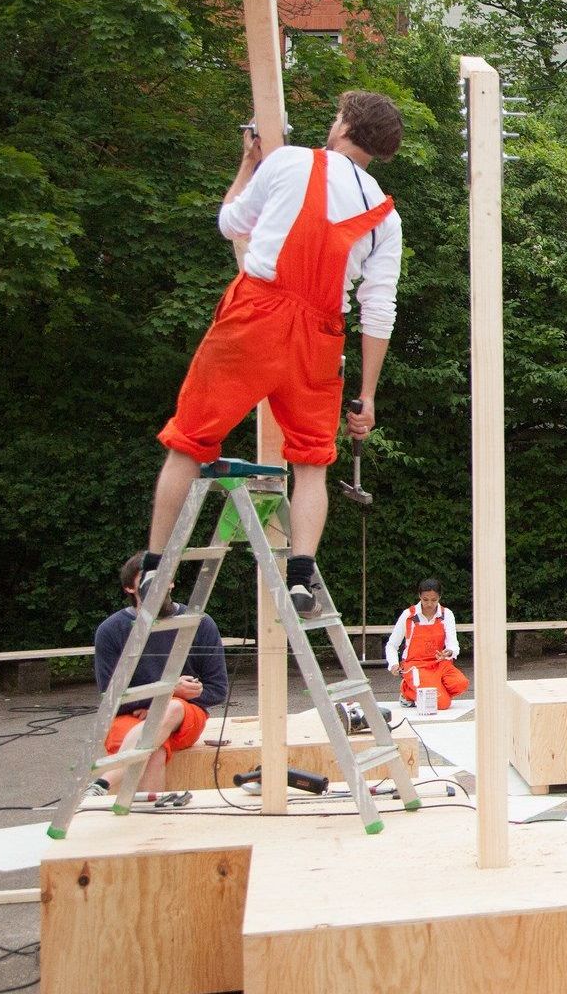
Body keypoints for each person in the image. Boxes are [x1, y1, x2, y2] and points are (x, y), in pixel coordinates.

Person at [138, 91, 405, 617]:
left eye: (336, 116)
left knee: (188, 440)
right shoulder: (384, 217)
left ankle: (153, 570)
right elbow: (378, 311)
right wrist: (367, 396)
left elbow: (232, 224)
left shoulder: (289, 161)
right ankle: (301, 574)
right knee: (310, 462)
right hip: (320, 337)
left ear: (347, 125)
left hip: (256, 317)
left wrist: (247, 163)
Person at [91, 552, 229, 793]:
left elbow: (218, 690)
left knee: (172, 707)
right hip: (128, 718)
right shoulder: (111, 630)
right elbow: (109, 698)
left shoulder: (200, 623)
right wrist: (167, 691)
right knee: (153, 752)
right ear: (129, 589)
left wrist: (166, 701)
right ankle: (151, 824)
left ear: (172, 582)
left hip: (184, 717)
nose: (158, 587)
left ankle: (104, 781)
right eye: (146, 582)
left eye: (164, 579)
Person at [384, 578, 467, 711]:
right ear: (419, 597)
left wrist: (449, 652)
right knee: (442, 704)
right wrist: (393, 664)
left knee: (461, 684)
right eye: (425, 599)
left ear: (440, 597)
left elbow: (453, 644)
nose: (429, 604)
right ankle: (407, 690)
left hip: (439, 663)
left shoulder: (447, 614)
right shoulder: (408, 615)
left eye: (434, 600)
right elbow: (392, 645)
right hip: (415, 666)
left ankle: (427, 690)